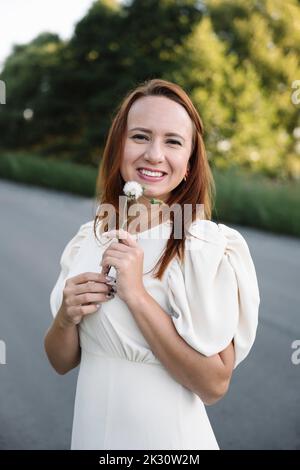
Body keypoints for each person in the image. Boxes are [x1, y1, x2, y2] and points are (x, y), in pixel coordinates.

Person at [44, 78, 260, 450]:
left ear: (190, 164)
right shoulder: (89, 238)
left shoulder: (206, 246)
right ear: (118, 147)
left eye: (173, 141)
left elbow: (213, 386)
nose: (154, 154)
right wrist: (66, 315)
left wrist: (137, 296)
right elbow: (61, 362)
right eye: (140, 137)